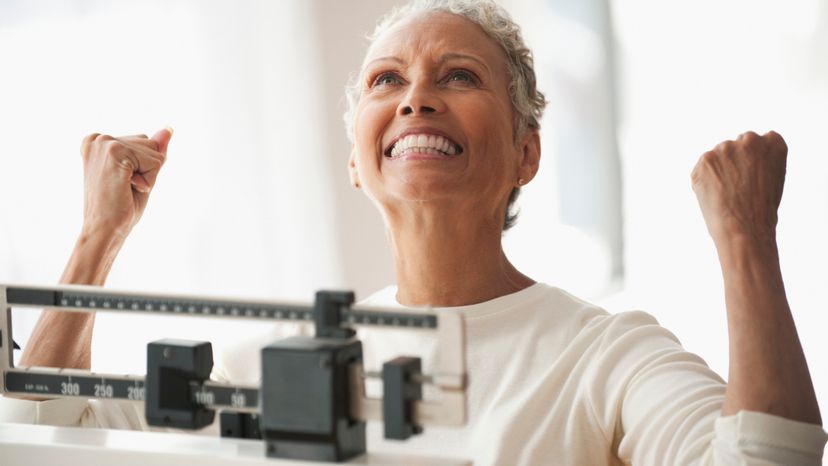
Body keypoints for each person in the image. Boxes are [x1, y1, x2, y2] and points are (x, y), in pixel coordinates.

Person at [4, 0, 827, 464]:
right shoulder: (283, 368)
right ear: (358, 163)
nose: (415, 99)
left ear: (527, 153)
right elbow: (46, 433)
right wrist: (97, 237)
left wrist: (746, 240)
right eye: (386, 80)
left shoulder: (606, 355)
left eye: (458, 77)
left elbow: (768, 463)